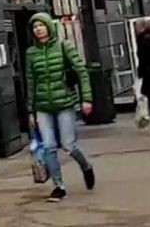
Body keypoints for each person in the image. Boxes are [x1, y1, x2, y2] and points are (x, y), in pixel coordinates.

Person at [25, 13, 95, 202]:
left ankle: (86, 166)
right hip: (42, 105)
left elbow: (81, 72)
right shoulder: (31, 53)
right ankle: (59, 186)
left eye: (41, 25)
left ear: (49, 26)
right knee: (48, 146)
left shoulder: (64, 46)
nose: (38, 29)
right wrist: (30, 110)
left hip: (65, 103)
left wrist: (86, 99)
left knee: (68, 145)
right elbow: (30, 82)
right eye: (35, 27)